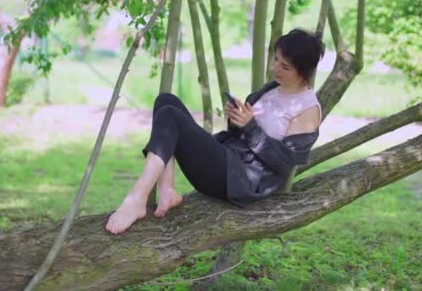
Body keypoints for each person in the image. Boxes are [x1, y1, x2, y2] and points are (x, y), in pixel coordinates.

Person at [105, 28, 324, 234]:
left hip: (243, 181)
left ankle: (136, 199)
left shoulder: (307, 109)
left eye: (285, 67)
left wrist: (250, 126)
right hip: (228, 159)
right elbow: (244, 135)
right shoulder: (272, 89)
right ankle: (167, 191)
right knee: (166, 101)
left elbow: (285, 163)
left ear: (304, 72)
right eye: (276, 59)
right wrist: (237, 120)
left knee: (170, 115)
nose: (275, 68)